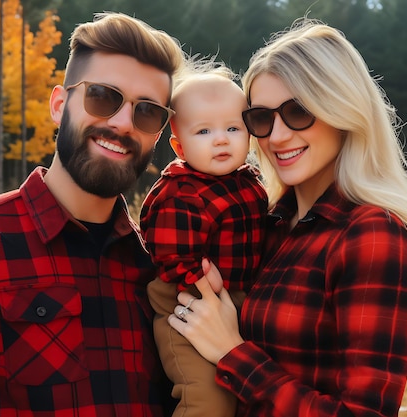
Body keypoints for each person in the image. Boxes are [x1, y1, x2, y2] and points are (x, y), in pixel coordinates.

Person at [0, 12, 184, 417]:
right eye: (102, 96)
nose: (122, 123)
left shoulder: (160, 267)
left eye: (147, 111)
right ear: (59, 105)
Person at [168, 18, 407, 417]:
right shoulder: (271, 224)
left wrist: (233, 352)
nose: (276, 137)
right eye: (260, 118)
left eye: (298, 112)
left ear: (342, 110)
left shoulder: (374, 237)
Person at [139, 64, 268, 417]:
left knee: (244, 395)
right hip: (185, 303)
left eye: (232, 127)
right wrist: (199, 277)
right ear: (180, 146)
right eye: (204, 131)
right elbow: (169, 251)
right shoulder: (181, 193)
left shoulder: (248, 181)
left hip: (233, 298)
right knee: (207, 399)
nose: (221, 139)